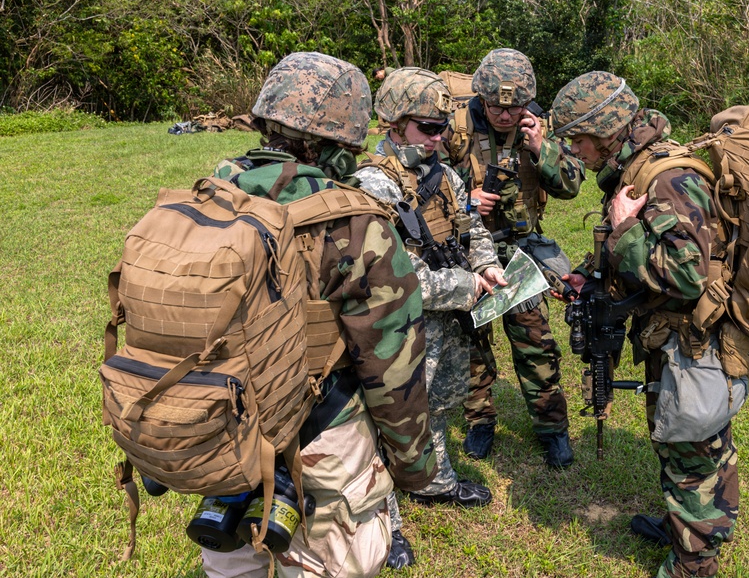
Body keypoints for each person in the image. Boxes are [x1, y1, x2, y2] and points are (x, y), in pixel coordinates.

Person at [203, 52, 436, 578]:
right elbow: (392, 366)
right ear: (340, 141)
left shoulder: (208, 196)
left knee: (231, 562)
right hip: (321, 430)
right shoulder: (353, 223)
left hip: (222, 420)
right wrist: (414, 466)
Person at [554, 71, 738, 578]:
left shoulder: (669, 180)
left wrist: (624, 228)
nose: (575, 151)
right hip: (667, 334)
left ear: (608, 130)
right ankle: (682, 528)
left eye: (579, 139)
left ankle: (693, 564)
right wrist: (593, 274)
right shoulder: (639, 167)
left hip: (691, 339)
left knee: (694, 450)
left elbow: (686, 275)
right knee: (678, 440)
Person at [356, 67, 505, 508]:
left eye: (444, 129)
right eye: (429, 129)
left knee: (436, 408)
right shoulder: (372, 186)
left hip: (444, 321)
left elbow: (471, 228)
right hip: (397, 328)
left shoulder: (443, 175)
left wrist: (489, 267)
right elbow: (389, 279)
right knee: (388, 419)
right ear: (395, 124)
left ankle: (434, 482)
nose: (440, 138)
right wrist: (467, 285)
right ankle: (387, 518)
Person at [442, 48, 585, 468]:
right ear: (481, 97)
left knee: (535, 342)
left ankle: (552, 429)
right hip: (467, 249)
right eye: (496, 107)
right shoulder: (455, 129)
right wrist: (463, 199)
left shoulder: (538, 128)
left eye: (514, 107)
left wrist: (541, 146)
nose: (505, 116)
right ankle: (480, 421)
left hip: (520, 249)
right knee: (472, 344)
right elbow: (424, 185)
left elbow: (571, 187)